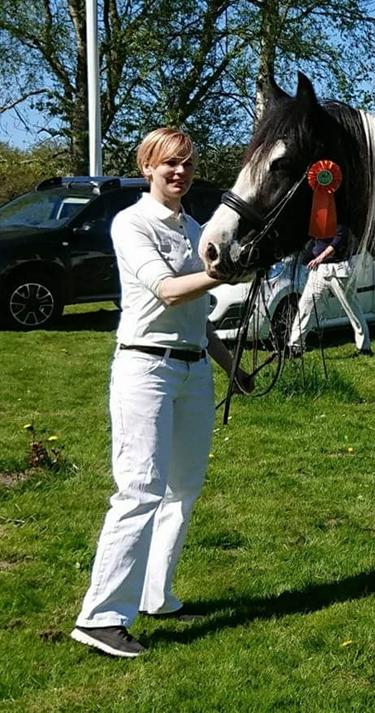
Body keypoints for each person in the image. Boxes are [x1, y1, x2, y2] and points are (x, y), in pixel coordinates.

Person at [71, 128, 252, 658]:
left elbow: (197, 319)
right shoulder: (131, 223)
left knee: (184, 488)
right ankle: (100, 616)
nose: (179, 173)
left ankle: (157, 595)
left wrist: (232, 368)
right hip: (144, 370)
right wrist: (226, 271)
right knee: (139, 491)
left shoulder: (195, 227)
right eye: (169, 164)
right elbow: (168, 291)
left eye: (187, 165)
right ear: (148, 167)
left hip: (194, 371)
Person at [284, 224, 373, 357]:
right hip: (319, 270)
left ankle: (364, 347)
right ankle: (295, 346)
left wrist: (320, 257)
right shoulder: (318, 218)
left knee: (352, 309)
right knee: (305, 306)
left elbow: (338, 241)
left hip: (339, 269)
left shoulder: (340, 218)